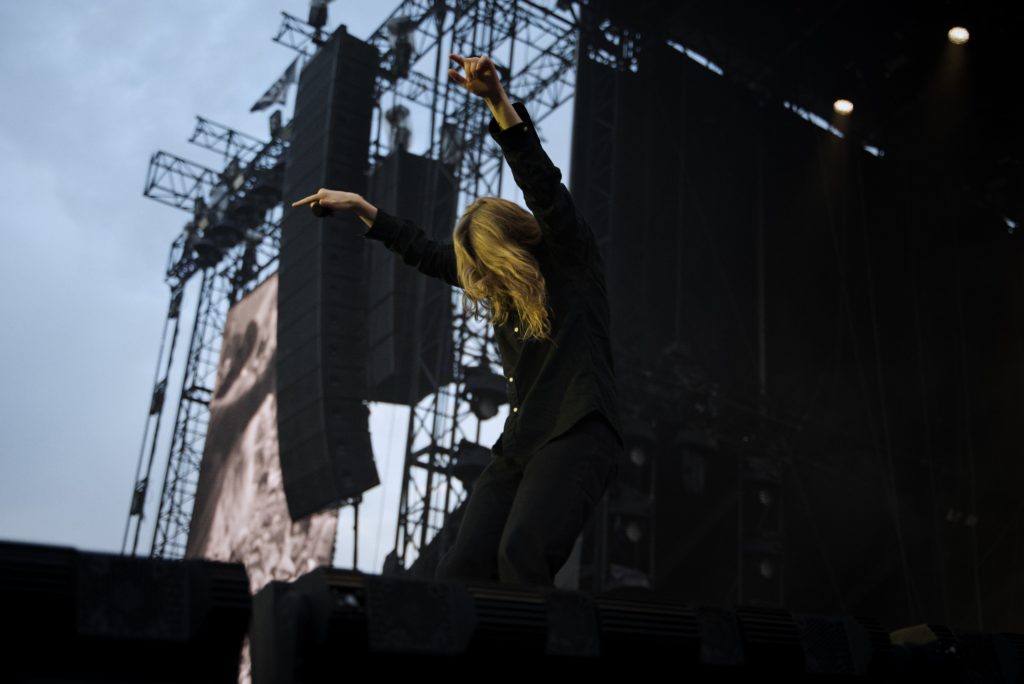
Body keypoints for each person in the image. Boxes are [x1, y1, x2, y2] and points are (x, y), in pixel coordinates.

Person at [291, 54, 625, 589]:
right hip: (522, 441)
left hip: (579, 429)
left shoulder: (569, 256)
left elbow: (540, 181)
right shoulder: (493, 286)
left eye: (487, 265)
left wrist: (498, 101)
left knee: (521, 555)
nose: (481, 281)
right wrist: (362, 208)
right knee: (461, 570)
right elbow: (426, 253)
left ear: (512, 245)